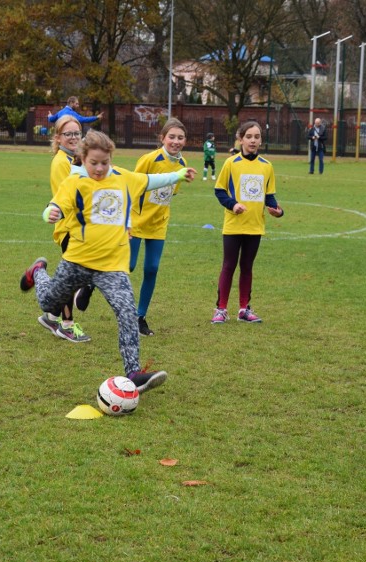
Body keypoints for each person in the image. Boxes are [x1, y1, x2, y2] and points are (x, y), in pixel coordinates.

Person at [19, 130, 195, 391]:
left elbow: (152, 180)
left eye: (104, 162)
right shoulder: (75, 182)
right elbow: (53, 206)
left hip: (113, 267)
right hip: (77, 261)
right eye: (94, 163)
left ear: (111, 158)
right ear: (83, 158)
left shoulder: (125, 179)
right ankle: (39, 271)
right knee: (48, 302)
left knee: (126, 313)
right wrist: (50, 213)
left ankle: (133, 373)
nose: (99, 168)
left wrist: (179, 174)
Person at [211, 120, 284, 324]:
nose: (253, 140)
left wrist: (278, 211)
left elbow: (269, 197)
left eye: (257, 137)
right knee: (229, 265)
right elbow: (219, 191)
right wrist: (233, 205)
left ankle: (244, 309)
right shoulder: (231, 163)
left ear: (261, 140)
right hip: (233, 225)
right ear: (241, 139)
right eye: (249, 136)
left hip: (255, 225)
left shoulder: (267, 166)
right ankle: (221, 309)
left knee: (247, 266)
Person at [31, 115, 91, 343]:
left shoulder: (77, 158)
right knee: (71, 277)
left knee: (75, 275)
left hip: (80, 227)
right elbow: (66, 195)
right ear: (58, 137)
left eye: (77, 133)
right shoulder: (61, 162)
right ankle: (66, 325)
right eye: (68, 134)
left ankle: (52, 315)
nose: (74, 137)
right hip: (69, 227)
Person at [129, 118, 190, 336]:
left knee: (152, 269)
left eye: (180, 137)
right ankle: (90, 285)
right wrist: (127, 220)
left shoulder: (183, 165)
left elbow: (169, 195)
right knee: (128, 266)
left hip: (158, 226)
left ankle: (139, 316)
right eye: (171, 137)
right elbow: (133, 187)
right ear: (162, 138)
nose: (175, 141)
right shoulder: (149, 159)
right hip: (136, 222)